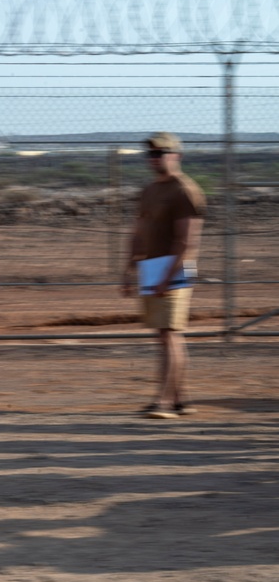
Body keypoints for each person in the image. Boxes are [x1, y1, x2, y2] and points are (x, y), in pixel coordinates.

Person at [121, 132, 206, 419]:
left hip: (175, 267)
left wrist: (168, 278)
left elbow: (187, 242)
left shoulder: (185, 190)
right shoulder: (150, 190)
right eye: (151, 154)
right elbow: (138, 231)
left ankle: (163, 401)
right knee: (164, 335)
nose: (155, 159)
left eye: (161, 153)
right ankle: (180, 400)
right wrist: (128, 269)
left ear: (176, 155)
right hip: (151, 267)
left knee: (170, 335)